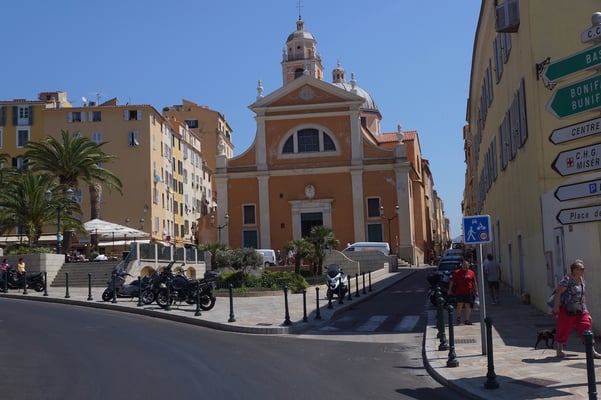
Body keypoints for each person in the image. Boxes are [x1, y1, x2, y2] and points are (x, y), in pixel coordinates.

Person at [552, 259, 601, 358]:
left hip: (580, 309)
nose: (583, 270)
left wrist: (587, 312)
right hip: (567, 309)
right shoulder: (567, 280)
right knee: (564, 329)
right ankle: (559, 350)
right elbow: (558, 293)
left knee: (587, 327)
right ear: (574, 270)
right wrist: (556, 307)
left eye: (583, 269)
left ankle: (592, 351)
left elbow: (582, 297)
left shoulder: (582, 280)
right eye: (581, 269)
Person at [448, 258, 478, 325]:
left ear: (469, 265)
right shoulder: (457, 272)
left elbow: (474, 282)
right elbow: (452, 281)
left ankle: (467, 320)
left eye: (466, 265)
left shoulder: (471, 273)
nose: (465, 266)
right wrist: (450, 289)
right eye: (464, 265)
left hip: (469, 292)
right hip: (459, 292)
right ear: (461, 265)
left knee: (468, 306)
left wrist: (476, 291)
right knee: (460, 305)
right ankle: (458, 318)